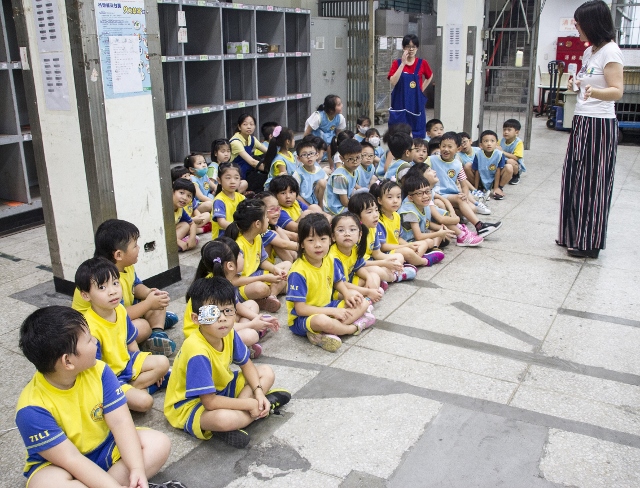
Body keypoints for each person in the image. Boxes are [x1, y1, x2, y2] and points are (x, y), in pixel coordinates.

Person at [16, 306, 173, 488]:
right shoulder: (31, 409)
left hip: (105, 447)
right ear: (68, 361)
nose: (95, 343)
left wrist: (137, 469)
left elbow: (120, 422)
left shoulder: (99, 370)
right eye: (89, 340)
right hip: (61, 466)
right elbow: (71, 459)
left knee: (159, 444)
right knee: (46, 483)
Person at [164, 277, 291, 448]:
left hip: (221, 388)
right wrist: (249, 403)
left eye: (228, 311)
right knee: (224, 419)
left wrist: (259, 393)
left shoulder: (228, 333)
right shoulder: (197, 351)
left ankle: (253, 410)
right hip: (190, 405)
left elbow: (246, 364)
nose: (222, 318)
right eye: (212, 313)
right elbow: (209, 402)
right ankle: (254, 412)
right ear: (196, 318)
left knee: (266, 372)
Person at [558, 1, 624, 259]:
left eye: (579, 23)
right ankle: (572, 234)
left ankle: (589, 242)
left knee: (592, 184)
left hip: (599, 124)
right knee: (574, 178)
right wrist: (578, 84)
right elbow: (587, 83)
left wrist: (594, 91)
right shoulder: (590, 52)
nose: (576, 28)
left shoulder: (611, 52)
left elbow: (616, 91)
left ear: (593, 23)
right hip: (582, 120)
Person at [75, 258, 171, 412]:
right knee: (145, 402)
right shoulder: (88, 327)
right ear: (86, 295)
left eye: (115, 283)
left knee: (163, 362)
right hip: (109, 377)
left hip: (127, 363)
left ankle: (133, 389)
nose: (112, 291)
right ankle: (132, 391)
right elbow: (94, 369)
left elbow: (131, 342)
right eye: (102, 287)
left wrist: (141, 365)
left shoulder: (119, 310)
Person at [71, 219, 177, 356]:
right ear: (119, 255)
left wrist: (149, 294)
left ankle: (157, 332)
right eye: (135, 246)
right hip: (101, 328)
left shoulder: (126, 266)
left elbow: (135, 285)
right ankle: (150, 328)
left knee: (157, 299)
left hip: (123, 313)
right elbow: (119, 314)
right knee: (143, 326)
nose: (139, 248)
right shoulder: (106, 281)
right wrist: (148, 304)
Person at [286, 214, 375, 352]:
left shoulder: (329, 259)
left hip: (327, 306)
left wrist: (347, 294)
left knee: (361, 301)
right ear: (302, 243)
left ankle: (326, 332)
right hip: (303, 318)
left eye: (323, 239)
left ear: (330, 239)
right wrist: (333, 311)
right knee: (322, 321)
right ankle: (353, 328)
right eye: (310, 240)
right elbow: (300, 309)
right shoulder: (298, 272)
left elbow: (337, 281)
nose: (318, 245)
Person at [182, 240, 280, 359]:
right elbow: (220, 325)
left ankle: (242, 343)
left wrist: (260, 319)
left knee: (251, 304)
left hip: (220, 325)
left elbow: (237, 307)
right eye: (239, 255)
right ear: (230, 265)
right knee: (251, 335)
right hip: (206, 336)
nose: (242, 257)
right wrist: (252, 324)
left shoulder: (222, 281)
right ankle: (237, 349)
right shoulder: (214, 291)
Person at [428, 132, 502, 238]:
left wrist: (465, 195)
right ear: (439, 146)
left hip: (451, 194)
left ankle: (458, 223)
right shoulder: (432, 159)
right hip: (438, 193)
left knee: (472, 208)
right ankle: (480, 226)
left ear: (458, 149)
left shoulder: (458, 165)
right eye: (443, 146)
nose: (446, 149)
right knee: (459, 201)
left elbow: (464, 184)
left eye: (450, 146)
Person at [225, 199, 291, 312]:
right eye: (266, 217)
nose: (268, 219)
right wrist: (264, 278)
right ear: (257, 224)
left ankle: (271, 296)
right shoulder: (238, 246)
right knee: (261, 288)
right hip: (240, 286)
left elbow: (262, 261)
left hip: (255, 275)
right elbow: (234, 281)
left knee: (287, 265)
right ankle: (264, 297)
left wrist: (275, 269)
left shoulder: (257, 237)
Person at [329, 212, 383, 303]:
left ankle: (367, 301)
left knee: (374, 276)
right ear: (333, 236)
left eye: (352, 229)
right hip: (337, 291)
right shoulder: (333, 257)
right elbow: (340, 284)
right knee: (354, 293)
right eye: (341, 230)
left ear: (360, 235)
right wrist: (367, 291)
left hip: (349, 282)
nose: (347, 234)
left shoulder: (355, 248)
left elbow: (358, 268)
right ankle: (366, 300)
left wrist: (368, 278)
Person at [388, 34, 433, 138]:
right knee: (399, 136)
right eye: (408, 46)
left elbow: (429, 76)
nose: (411, 49)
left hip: (415, 105)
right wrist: (403, 64)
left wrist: (421, 88)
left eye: (414, 46)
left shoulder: (422, 63)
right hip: (400, 105)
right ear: (404, 48)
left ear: (417, 48)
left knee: (417, 138)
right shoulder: (397, 63)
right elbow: (393, 82)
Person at [465, 130, 512, 201]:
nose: (489, 144)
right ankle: (479, 189)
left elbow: (498, 171)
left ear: (496, 144)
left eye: (492, 141)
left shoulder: (499, 154)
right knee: (467, 166)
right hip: (481, 179)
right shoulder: (478, 154)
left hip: (495, 179)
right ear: (481, 145)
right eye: (486, 141)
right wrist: (476, 188)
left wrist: (496, 187)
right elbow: (477, 171)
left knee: (509, 167)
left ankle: (498, 189)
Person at [303, 94, 346, 167]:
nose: (342, 105)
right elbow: (307, 132)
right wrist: (305, 147)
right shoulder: (318, 116)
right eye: (339, 105)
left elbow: (338, 134)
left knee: (330, 146)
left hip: (329, 143)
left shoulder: (340, 118)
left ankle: (331, 166)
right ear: (331, 109)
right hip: (316, 142)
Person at [324, 139, 363, 215]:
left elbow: (352, 186)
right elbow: (344, 202)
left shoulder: (355, 170)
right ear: (341, 158)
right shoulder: (340, 177)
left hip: (345, 202)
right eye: (350, 159)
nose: (355, 162)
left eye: (358, 157)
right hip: (336, 209)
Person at [229, 114, 268, 190]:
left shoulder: (252, 139)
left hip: (247, 171)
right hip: (236, 173)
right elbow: (252, 162)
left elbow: (268, 152)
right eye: (245, 124)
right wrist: (270, 169)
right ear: (239, 127)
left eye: (251, 124)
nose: (249, 127)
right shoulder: (235, 142)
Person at [211, 162, 246, 239]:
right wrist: (240, 229)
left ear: (240, 180)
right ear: (219, 180)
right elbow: (221, 222)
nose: (232, 181)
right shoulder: (219, 200)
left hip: (238, 233)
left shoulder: (242, 198)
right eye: (228, 178)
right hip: (223, 237)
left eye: (236, 178)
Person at [292, 139, 328, 206]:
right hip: (304, 204)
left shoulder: (320, 171)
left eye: (311, 153)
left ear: (317, 155)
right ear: (299, 159)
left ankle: (321, 209)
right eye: (304, 154)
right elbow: (295, 194)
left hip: (318, 203)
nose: (308, 157)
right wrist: (307, 206)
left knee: (323, 182)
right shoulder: (298, 174)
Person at [262, 126, 297, 190]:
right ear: (288, 141)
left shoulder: (289, 153)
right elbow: (286, 180)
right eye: (293, 138)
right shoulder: (279, 161)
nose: (294, 140)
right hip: (280, 189)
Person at [172, 178, 199, 252]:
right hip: (161, 236)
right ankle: (173, 245)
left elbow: (192, 223)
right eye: (181, 193)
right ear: (172, 191)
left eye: (189, 196)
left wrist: (192, 238)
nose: (184, 198)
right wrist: (177, 241)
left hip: (171, 234)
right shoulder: (165, 209)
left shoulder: (180, 209)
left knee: (185, 225)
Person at [500, 119, 525, 185]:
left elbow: (516, 157)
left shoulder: (518, 143)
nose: (506, 132)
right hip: (503, 161)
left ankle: (516, 175)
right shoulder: (502, 140)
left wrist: (502, 152)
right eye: (504, 129)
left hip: (515, 164)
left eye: (509, 130)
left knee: (510, 161)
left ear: (516, 132)